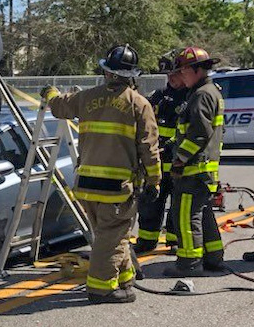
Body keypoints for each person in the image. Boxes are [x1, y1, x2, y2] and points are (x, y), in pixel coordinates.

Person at [41, 44, 160, 304]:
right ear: (132, 75)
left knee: (111, 235)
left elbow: (59, 106)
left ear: (106, 71)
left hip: (86, 187)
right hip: (116, 189)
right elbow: (149, 149)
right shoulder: (139, 104)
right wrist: (154, 181)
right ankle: (101, 288)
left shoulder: (86, 98)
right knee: (113, 236)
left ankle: (125, 278)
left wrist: (50, 94)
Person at [162, 46, 225, 276]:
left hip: (193, 170)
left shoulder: (201, 95)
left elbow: (199, 133)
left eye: (183, 71)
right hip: (204, 169)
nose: (179, 76)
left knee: (186, 217)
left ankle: (189, 264)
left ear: (197, 70)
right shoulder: (209, 91)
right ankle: (213, 258)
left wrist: (179, 159)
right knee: (204, 214)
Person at [133, 51, 188, 253]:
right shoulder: (157, 97)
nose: (171, 79)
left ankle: (175, 241)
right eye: (168, 75)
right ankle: (147, 240)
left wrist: (173, 146)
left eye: (175, 74)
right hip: (157, 163)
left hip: (179, 163)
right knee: (150, 204)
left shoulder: (192, 97)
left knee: (178, 206)